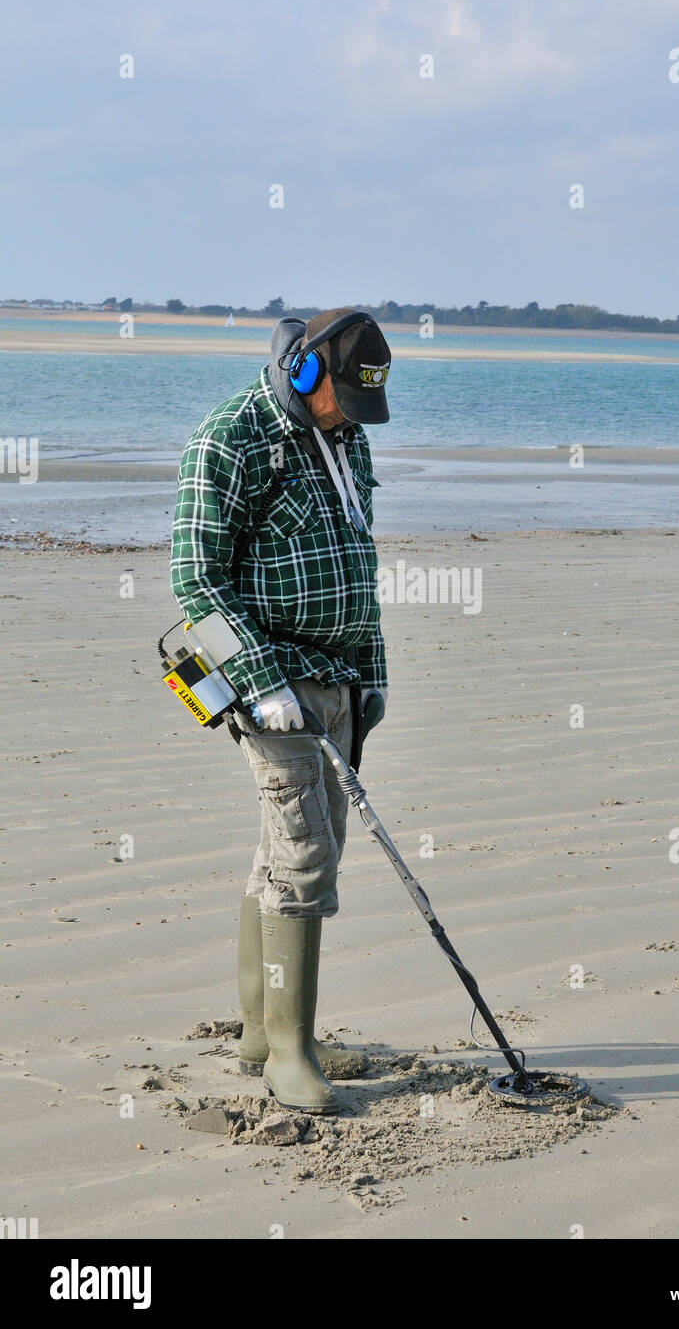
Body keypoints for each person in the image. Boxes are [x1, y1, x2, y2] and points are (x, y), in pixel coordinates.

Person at [171, 308, 391, 1113]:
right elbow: (197, 577)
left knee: (300, 848)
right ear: (304, 373)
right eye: (340, 401)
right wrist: (263, 684)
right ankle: (290, 1054)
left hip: (338, 680)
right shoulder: (231, 436)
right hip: (270, 685)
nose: (348, 421)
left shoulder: (346, 439)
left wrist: (373, 674)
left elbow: (357, 566)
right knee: (303, 857)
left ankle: (262, 1035)